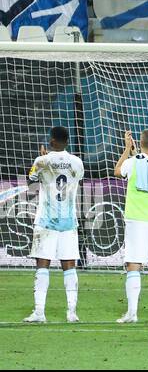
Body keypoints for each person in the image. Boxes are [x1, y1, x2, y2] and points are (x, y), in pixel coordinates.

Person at [23, 127, 84, 324]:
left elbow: (30, 184)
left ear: (52, 141)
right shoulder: (77, 162)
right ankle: (72, 312)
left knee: (43, 265)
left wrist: (43, 166)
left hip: (46, 221)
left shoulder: (42, 161)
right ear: (67, 141)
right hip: (68, 221)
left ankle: (40, 312)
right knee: (69, 266)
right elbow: (76, 180)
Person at [113, 130, 148, 324]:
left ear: (140, 142)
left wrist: (128, 149)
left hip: (137, 220)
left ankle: (132, 313)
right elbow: (146, 165)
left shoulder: (132, 161)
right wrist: (135, 152)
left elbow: (118, 170)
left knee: (133, 265)